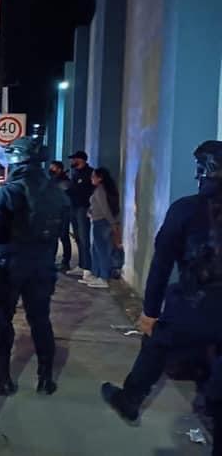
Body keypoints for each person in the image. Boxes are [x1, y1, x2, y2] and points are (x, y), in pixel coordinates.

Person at [102, 141, 222, 440]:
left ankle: (131, 399)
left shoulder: (185, 209)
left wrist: (150, 312)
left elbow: (162, 264)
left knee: (156, 343)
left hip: (193, 304)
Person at [0, 137, 69, 395]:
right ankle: (46, 378)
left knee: (1, 319)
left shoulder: (9, 192)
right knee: (40, 319)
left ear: (16, 160)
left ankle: (2, 377)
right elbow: (61, 231)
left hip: (9, 265)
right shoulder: (56, 192)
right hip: (42, 265)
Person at [81, 167, 120, 289]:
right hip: (99, 221)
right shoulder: (101, 189)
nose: (91, 178)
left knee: (101, 251)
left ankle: (103, 277)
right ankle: (96, 274)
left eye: (94, 176)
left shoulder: (100, 190)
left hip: (101, 223)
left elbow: (105, 209)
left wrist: (113, 223)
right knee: (96, 249)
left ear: (100, 178)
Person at [65, 151, 94, 279]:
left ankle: (87, 267)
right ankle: (82, 265)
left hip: (83, 208)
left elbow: (89, 191)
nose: (72, 161)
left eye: (74, 159)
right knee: (77, 237)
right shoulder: (75, 173)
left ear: (81, 160)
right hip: (74, 207)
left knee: (84, 238)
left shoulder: (90, 173)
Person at [48, 160, 73, 271]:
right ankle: (51, 260)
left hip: (63, 211)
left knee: (63, 236)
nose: (51, 170)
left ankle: (65, 262)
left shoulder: (64, 182)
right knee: (53, 237)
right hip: (54, 211)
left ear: (59, 169)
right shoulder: (52, 180)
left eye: (53, 168)